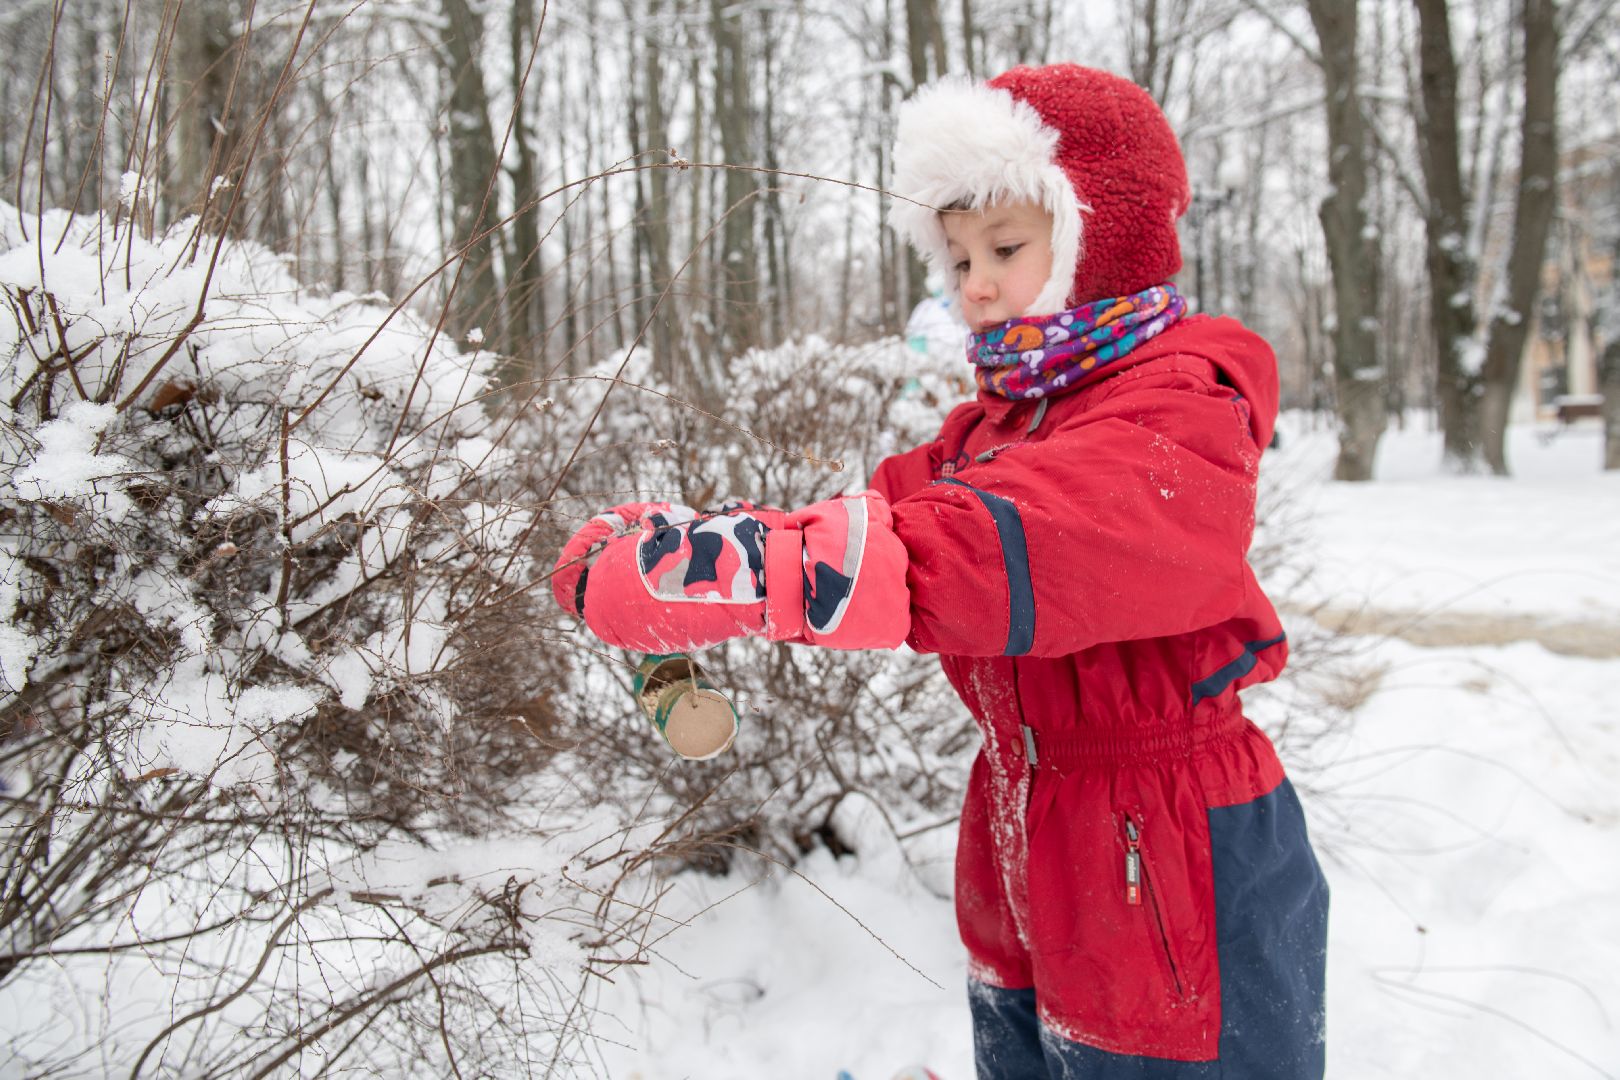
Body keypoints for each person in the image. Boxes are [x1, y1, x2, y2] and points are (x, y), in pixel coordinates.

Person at [551, 63, 1328, 1080]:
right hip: (1028, 811)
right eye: (958, 255)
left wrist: (752, 572)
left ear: (1103, 239)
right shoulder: (1002, 421)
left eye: (1006, 248)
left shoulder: (1178, 415)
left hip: (1175, 845)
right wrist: (693, 547)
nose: (976, 282)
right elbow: (874, 526)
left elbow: (997, 547)